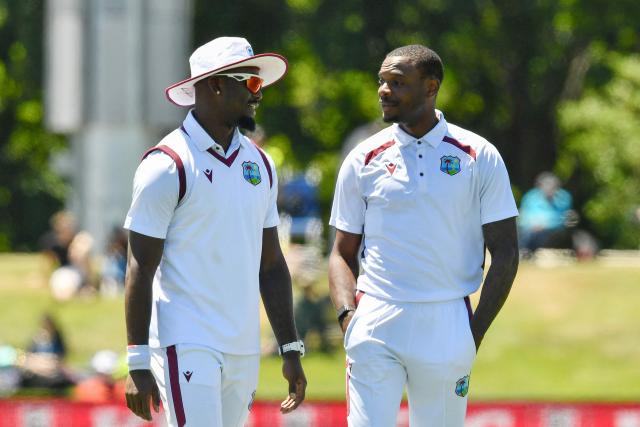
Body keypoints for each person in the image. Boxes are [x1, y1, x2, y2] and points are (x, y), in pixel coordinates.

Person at [328, 44, 520, 426]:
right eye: (382, 81)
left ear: (430, 87)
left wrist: (473, 332)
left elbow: (507, 253)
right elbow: (341, 253)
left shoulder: (478, 155)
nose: (384, 90)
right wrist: (349, 317)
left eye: (397, 83)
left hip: (447, 318)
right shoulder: (363, 158)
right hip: (376, 317)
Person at [123, 36, 307, 426]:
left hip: (242, 344)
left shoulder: (262, 165)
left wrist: (290, 348)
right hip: (185, 340)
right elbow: (140, 267)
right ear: (216, 83)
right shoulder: (167, 164)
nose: (258, 94)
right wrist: (137, 360)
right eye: (251, 83)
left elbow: (271, 267)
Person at [518, 171, 577, 255]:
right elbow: (524, 216)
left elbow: (566, 220)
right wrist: (532, 225)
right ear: (540, 186)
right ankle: (523, 253)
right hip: (530, 229)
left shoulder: (564, 198)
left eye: (552, 186)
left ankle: (526, 253)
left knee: (539, 235)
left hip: (553, 231)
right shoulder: (530, 197)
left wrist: (545, 225)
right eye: (546, 185)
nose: (549, 188)